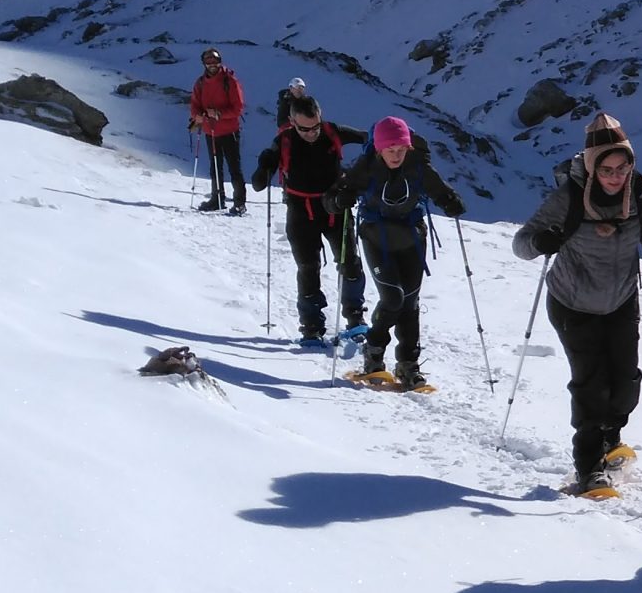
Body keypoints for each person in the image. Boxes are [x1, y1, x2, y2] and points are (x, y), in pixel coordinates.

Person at [512, 113, 642, 495]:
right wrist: (542, 243)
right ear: (592, 166)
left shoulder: (641, 192)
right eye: (607, 168)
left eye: (623, 167)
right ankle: (589, 468)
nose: (616, 176)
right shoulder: (569, 196)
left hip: (621, 298)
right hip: (572, 302)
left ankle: (610, 439)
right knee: (591, 385)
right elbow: (522, 242)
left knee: (625, 382)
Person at [329, 116, 466, 387]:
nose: (396, 155)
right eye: (390, 150)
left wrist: (451, 202)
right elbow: (333, 198)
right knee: (393, 298)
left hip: (411, 237)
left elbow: (441, 191)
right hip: (376, 237)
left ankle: (407, 364)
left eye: (401, 149)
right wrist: (338, 200)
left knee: (410, 302)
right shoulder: (366, 167)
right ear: (379, 149)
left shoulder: (418, 166)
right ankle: (374, 349)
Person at [249, 93, 367, 346]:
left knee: (350, 262)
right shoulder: (284, 141)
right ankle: (312, 326)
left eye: (315, 127)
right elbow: (267, 160)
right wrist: (264, 169)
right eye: (304, 129)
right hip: (301, 210)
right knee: (308, 267)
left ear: (320, 117)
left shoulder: (332, 132)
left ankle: (356, 318)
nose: (312, 133)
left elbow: (367, 138)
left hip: (335, 206)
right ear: (292, 121)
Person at [187, 48, 247, 215]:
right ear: (204, 64)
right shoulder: (200, 83)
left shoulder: (230, 80)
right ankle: (217, 199)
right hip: (211, 130)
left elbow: (238, 108)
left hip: (229, 131)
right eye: (209, 62)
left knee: (234, 167)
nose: (212, 65)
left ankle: (239, 203)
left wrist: (219, 114)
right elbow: (195, 104)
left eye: (215, 62)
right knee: (215, 167)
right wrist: (197, 115)